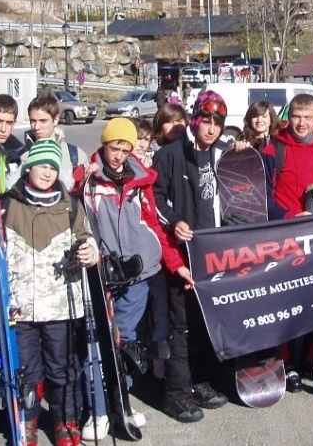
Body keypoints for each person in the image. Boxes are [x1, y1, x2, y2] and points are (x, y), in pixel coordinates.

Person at [0, 138, 98, 446]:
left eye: (52, 168)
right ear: (29, 167)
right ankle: (27, 421)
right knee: (26, 370)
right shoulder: (8, 203)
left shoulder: (71, 205)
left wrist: (89, 253)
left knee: (63, 368)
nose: (47, 173)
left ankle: (65, 421)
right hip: (21, 307)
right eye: (42, 166)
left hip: (61, 306)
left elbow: (88, 240)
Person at [80, 118, 191, 438]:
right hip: (101, 272)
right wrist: (80, 179)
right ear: (104, 145)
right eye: (114, 148)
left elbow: (154, 224)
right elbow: (74, 214)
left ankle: (122, 403)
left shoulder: (140, 180)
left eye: (125, 149)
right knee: (96, 341)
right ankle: (98, 411)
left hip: (138, 272)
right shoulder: (88, 179)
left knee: (126, 342)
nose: (119, 155)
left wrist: (175, 265)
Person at [152, 91, 231, 423]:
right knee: (181, 325)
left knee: (204, 322)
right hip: (182, 254)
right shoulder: (170, 155)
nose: (211, 129)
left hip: (214, 255)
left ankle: (199, 381)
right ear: (195, 120)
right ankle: (176, 394)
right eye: (206, 122)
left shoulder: (223, 154)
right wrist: (175, 221)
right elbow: (153, 198)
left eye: (218, 123)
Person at [262, 93, 313, 391]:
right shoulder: (274, 149)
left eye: (307, 117)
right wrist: (289, 217)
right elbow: (262, 195)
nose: (301, 123)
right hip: (288, 236)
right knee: (292, 303)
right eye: (296, 116)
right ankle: (291, 362)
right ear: (289, 117)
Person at [24, 92, 86, 193]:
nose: (36, 127)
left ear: (56, 119)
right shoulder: (21, 157)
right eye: (33, 121)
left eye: (43, 121)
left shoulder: (76, 156)